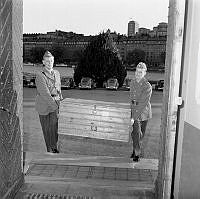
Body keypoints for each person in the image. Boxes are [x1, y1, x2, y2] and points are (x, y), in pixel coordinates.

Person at [35, 51, 63, 153]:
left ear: (53, 61)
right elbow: (45, 94)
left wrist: (61, 101)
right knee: (47, 129)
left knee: (55, 128)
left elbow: (59, 88)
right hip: (44, 105)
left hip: (55, 102)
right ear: (43, 62)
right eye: (47, 61)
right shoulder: (40, 75)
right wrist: (55, 106)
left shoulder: (57, 73)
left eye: (51, 61)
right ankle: (50, 150)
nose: (49, 63)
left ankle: (54, 147)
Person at [129, 62, 152, 161]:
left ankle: (135, 150)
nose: (138, 74)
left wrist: (133, 117)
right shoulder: (133, 82)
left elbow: (142, 103)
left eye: (141, 72)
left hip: (144, 112)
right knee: (136, 133)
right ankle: (137, 153)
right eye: (137, 71)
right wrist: (132, 115)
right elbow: (131, 99)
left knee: (140, 134)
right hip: (135, 111)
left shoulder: (147, 86)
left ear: (145, 73)